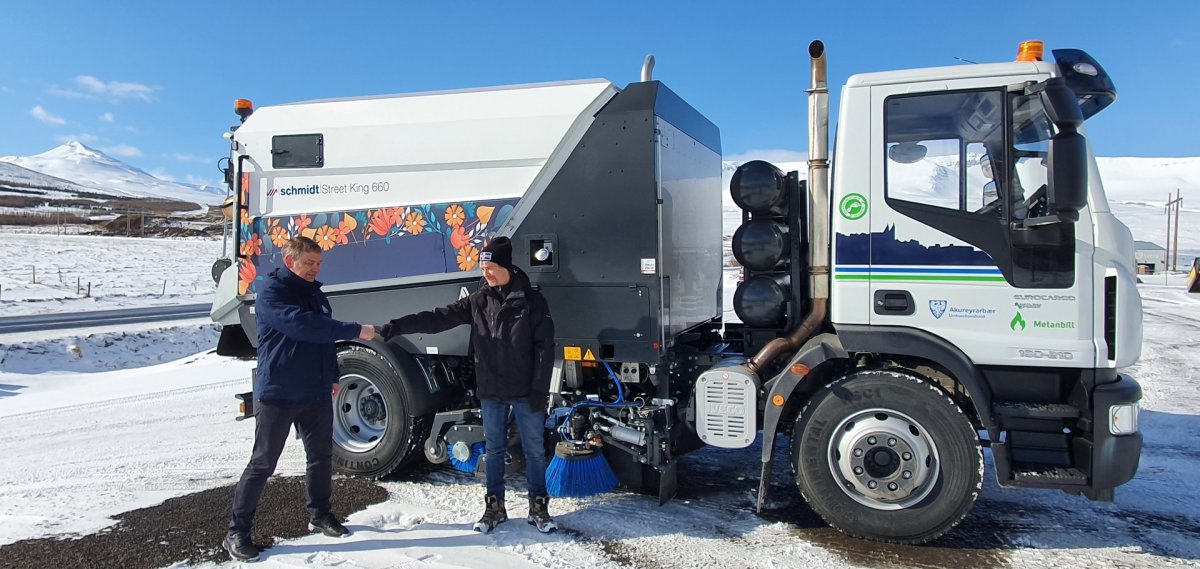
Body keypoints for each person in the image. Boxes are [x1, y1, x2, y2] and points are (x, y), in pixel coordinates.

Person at [379, 236, 557, 534]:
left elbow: (545, 349)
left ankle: (538, 507)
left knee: (535, 451)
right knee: (495, 450)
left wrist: (540, 391)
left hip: (526, 392)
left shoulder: (532, 301)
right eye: (483, 266)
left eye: (490, 266)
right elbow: (438, 319)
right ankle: (494, 508)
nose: (485, 272)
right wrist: (396, 326)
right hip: (491, 391)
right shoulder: (478, 301)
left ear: (505, 266)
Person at [223, 236, 376, 562]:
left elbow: (323, 341)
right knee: (263, 463)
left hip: (315, 392)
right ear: (290, 261)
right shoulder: (273, 294)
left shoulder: (316, 294)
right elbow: (304, 327)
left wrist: (333, 375)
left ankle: (319, 514)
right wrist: (353, 329)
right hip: (279, 393)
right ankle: (237, 532)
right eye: (309, 263)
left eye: (319, 264)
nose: (315, 269)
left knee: (320, 457)